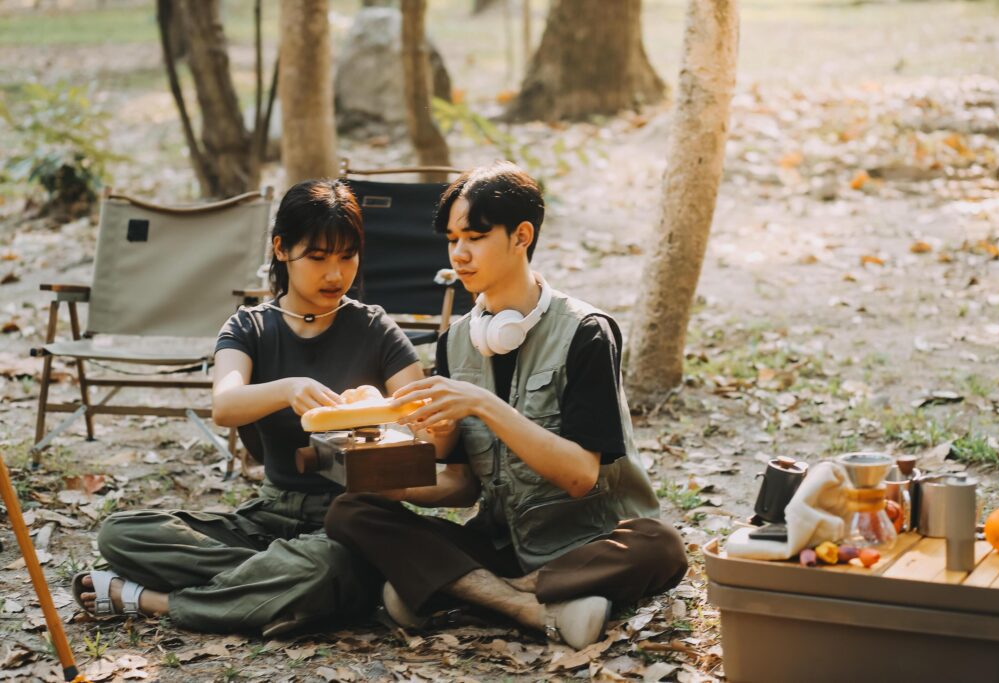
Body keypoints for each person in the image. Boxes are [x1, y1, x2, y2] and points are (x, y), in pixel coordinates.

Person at [325, 162, 687, 650]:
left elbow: (581, 475)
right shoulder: (455, 343)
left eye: (474, 237)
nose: (460, 254)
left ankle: (460, 588)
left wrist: (484, 404)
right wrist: (391, 485)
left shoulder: (585, 332)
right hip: (504, 544)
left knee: (661, 546)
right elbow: (461, 484)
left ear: (522, 235)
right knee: (352, 510)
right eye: (452, 240)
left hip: (590, 540)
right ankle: (522, 604)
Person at [73, 179, 424, 636]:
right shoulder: (250, 327)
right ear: (281, 248)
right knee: (121, 534)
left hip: (350, 521)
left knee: (327, 562)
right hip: (269, 516)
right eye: (317, 257)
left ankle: (154, 601)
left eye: (347, 256)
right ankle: (282, 585)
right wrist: (286, 388)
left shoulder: (374, 327)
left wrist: (380, 408)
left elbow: (418, 414)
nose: (336, 274)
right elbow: (227, 405)